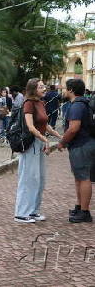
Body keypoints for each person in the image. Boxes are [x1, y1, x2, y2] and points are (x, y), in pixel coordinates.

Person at [14, 78, 62, 223]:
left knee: (39, 179)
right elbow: (30, 127)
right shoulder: (28, 104)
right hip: (31, 144)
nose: (44, 88)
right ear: (33, 89)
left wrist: (59, 136)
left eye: (44, 86)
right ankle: (21, 213)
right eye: (41, 86)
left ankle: (33, 210)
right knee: (28, 178)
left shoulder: (41, 103)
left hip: (39, 142)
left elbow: (45, 124)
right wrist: (45, 140)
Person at [58, 79, 95, 223]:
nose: (64, 91)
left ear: (71, 90)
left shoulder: (76, 106)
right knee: (79, 177)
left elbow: (73, 128)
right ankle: (79, 207)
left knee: (84, 178)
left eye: (66, 88)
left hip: (81, 145)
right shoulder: (83, 103)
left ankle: (85, 212)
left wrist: (62, 142)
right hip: (84, 143)